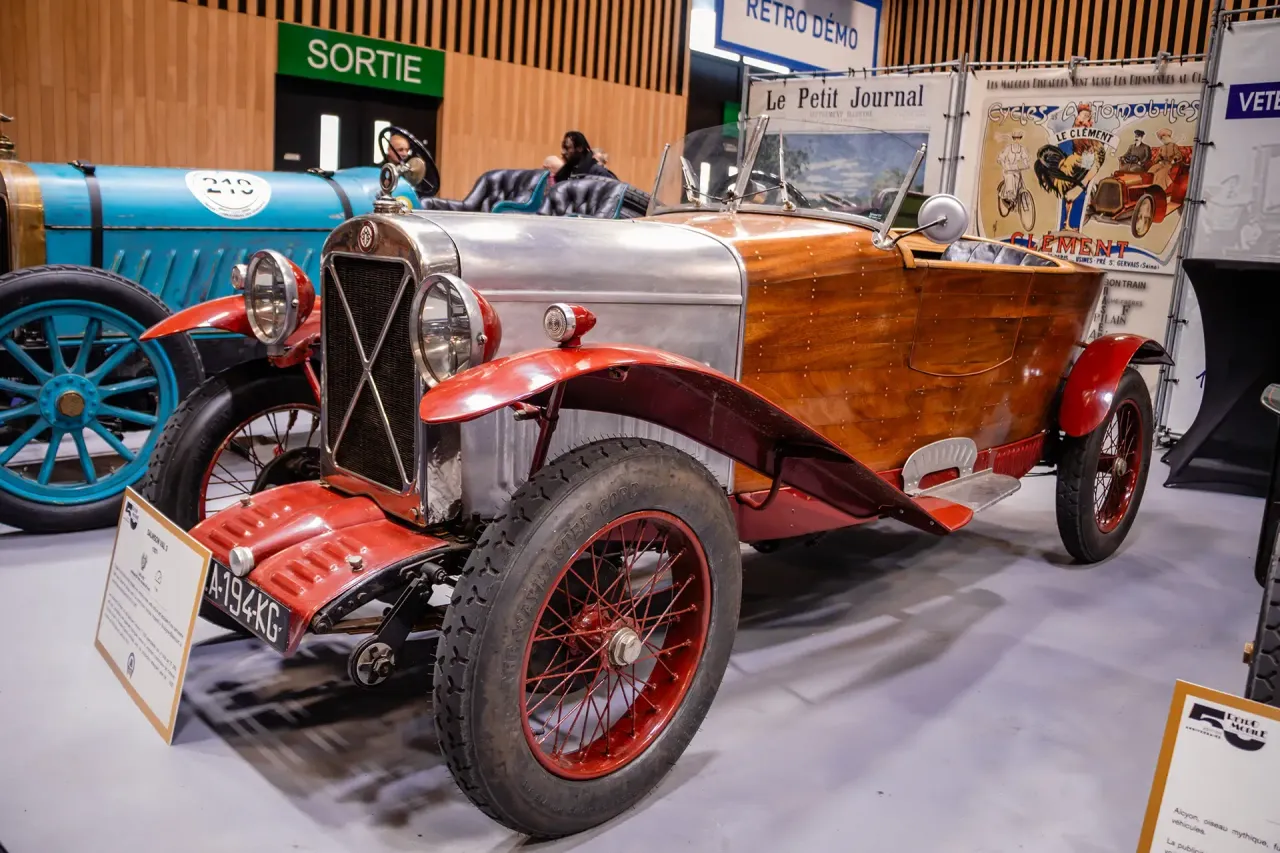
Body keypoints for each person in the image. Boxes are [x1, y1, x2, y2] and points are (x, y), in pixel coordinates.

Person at [996, 130, 1031, 203]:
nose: (1016, 140)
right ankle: (1008, 195)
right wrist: (1004, 165)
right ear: (1013, 139)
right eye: (1015, 138)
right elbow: (1001, 157)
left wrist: (1026, 164)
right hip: (1008, 170)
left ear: (1020, 139)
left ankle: (1018, 200)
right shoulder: (1009, 148)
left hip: (1016, 170)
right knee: (1010, 178)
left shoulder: (1021, 149)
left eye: (1018, 138)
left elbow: (1025, 158)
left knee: (1018, 183)